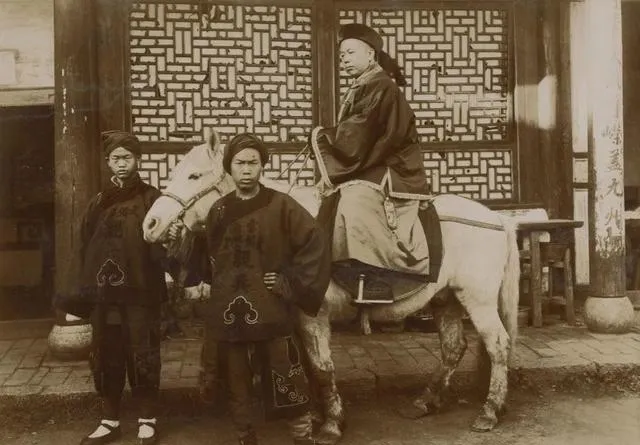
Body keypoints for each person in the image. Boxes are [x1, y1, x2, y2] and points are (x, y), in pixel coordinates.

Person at [191, 133, 331, 445]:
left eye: (253, 163)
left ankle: (301, 434)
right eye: (239, 163)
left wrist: (288, 281)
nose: (246, 170)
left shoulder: (282, 205)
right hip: (230, 310)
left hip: (270, 305)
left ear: (262, 166)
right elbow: (208, 255)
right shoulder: (218, 210)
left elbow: (315, 242)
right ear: (229, 168)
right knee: (237, 378)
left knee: (286, 369)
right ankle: (245, 434)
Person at [56, 130, 169, 445]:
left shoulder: (152, 198)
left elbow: (164, 243)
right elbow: (83, 247)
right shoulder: (98, 202)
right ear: (108, 162)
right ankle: (109, 420)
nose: (121, 164)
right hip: (105, 296)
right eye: (116, 158)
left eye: (127, 157)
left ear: (138, 160)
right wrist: (79, 296)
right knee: (107, 354)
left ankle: (147, 419)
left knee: (143, 353)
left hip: (141, 292)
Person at [309, 23, 432, 294]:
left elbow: (360, 131)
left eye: (351, 53)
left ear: (370, 55)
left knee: (355, 201)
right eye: (342, 55)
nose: (344, 60)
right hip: (374, 157)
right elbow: (357, 133)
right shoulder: (364, 85)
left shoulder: (381, 85)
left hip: (394, 163)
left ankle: (374, 276)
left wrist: (323, 136)